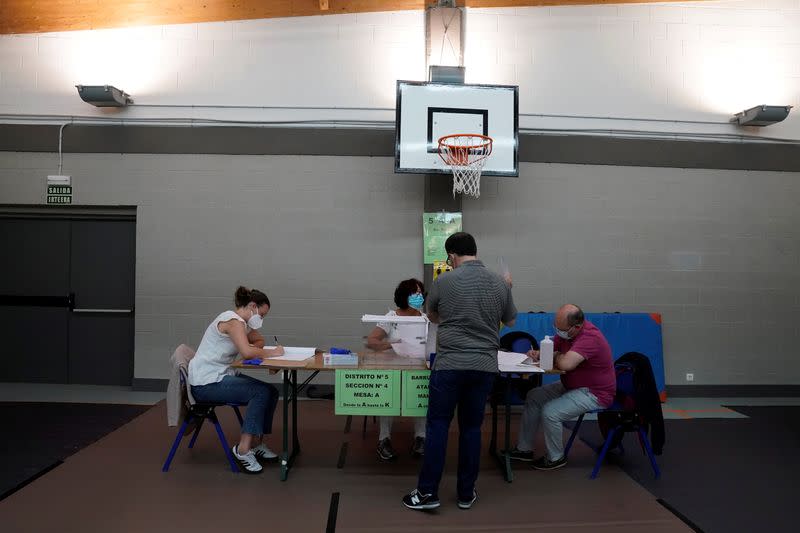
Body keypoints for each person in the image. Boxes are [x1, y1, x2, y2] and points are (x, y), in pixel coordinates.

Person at [402, 232, 516, 511]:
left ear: (452, 255)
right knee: (471, 429)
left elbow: (432, 316)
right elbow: (510, 321)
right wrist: (508, 290)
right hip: (484, 366)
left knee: (438, 425)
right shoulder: (500, 284)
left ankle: (427, 493)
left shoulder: (444, 281)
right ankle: (466, 493)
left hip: (450, 364)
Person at [188, 286, 285, 474]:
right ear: (252, 306)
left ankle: (256, 444)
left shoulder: (243, 324)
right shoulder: (233, 321)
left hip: (220, 376)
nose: (261, 320)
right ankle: (242, 450)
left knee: (271, 392)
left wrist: (251, 347)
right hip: (206, 383)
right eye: (262, 315)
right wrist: (273, 353)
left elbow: (259, 342)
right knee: (261, 392)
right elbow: (248, 352)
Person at [508, 304, 615, 470]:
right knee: (534, 396)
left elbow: (566, 363)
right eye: (556, 327)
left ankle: (556, 457)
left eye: (561, 329)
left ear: (576, 327)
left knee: (551, 412)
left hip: (595, 393)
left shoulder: (589, 337)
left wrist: (555, 355)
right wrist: (538, 353)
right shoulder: (567, 334)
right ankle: (524, 449)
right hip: (572, 386)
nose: (558, 332)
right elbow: (552, 350)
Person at [366, 278, 428, 461]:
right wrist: (392, 345)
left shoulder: (425, 319)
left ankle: (421, 437)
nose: (418, 296)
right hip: (394, 369)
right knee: (389, 394)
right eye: (414, 293)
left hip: (419, 370)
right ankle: (383, 439)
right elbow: (372, 341)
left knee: (422, 394)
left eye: (420, 293)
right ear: (404, 296)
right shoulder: (391, 317)